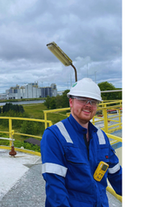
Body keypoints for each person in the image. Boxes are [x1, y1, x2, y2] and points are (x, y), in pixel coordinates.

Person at [41, 78, 122, 206]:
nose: (88, 105)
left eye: (93, 101)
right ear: (71, 102)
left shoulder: (101, 137)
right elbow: (55, 188)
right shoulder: (54, 135)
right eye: (83, 99)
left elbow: (117, 175)